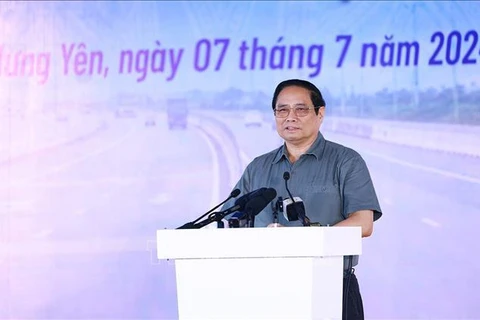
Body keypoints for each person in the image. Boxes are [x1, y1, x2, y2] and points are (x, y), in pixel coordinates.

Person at [222, 79, 382, 320]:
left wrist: (305, 240)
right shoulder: (258, 168)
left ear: (320, 113)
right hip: (265, 288)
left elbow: (363, 222)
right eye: (282, 110)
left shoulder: (346, 161)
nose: (290, 117)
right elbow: (229, 220)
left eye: (301, 109)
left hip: (330, 285)